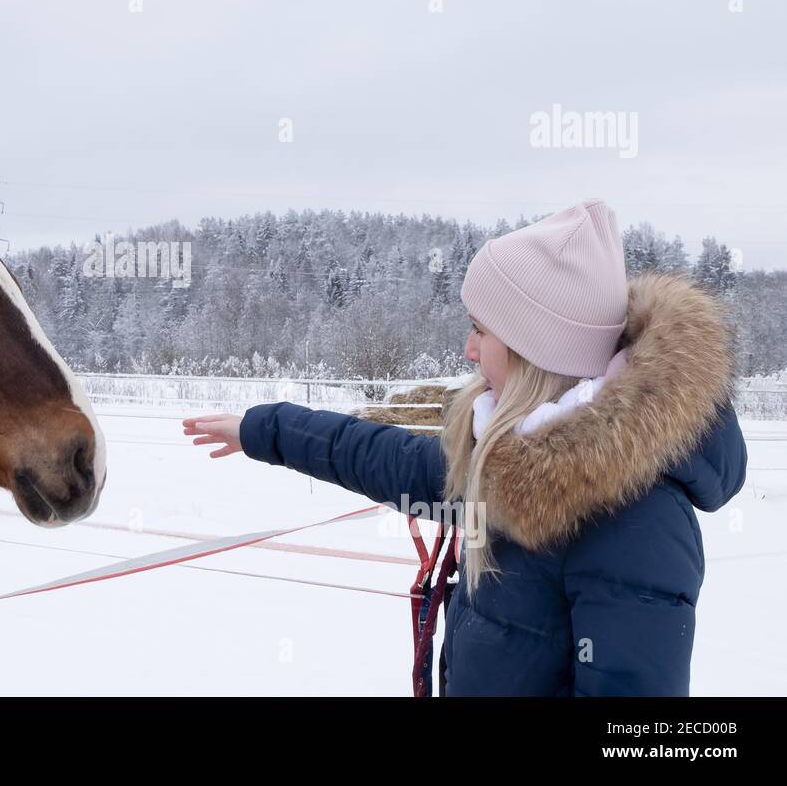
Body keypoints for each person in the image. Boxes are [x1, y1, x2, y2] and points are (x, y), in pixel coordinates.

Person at [183, 199, 747, 696]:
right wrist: (266, 429)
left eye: (482, 330)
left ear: (535, 350)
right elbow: (388, 460)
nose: (469, 350)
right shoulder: (512, 465)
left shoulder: (638, 524)